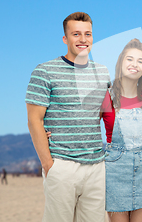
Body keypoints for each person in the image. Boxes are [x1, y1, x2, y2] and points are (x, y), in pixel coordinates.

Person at [25, 12, 111, 222]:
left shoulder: (103, 72)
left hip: (96, 166)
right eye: (76, 34)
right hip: (62, 164)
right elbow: (34, 119)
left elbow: (103, 114)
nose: (83, 39)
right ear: (65, 38)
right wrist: (48, 164)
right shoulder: (45, 71)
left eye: (88, 34)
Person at [105, 38, 142, 222]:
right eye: (130, 59)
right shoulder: (107, 96)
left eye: (140, 61)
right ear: (121, 63)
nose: (134, 64)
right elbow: (86, 126)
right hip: (115, 168)